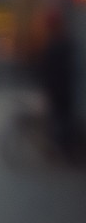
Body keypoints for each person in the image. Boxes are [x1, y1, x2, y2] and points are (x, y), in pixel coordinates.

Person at [34, 10, 78, 159]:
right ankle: (63, 148)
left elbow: (44, 67)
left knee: (57, 118)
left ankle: (57, 147)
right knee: (63, 119)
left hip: (55, 88)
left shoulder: (53, 43)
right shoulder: (63, 43)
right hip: (62, 89)